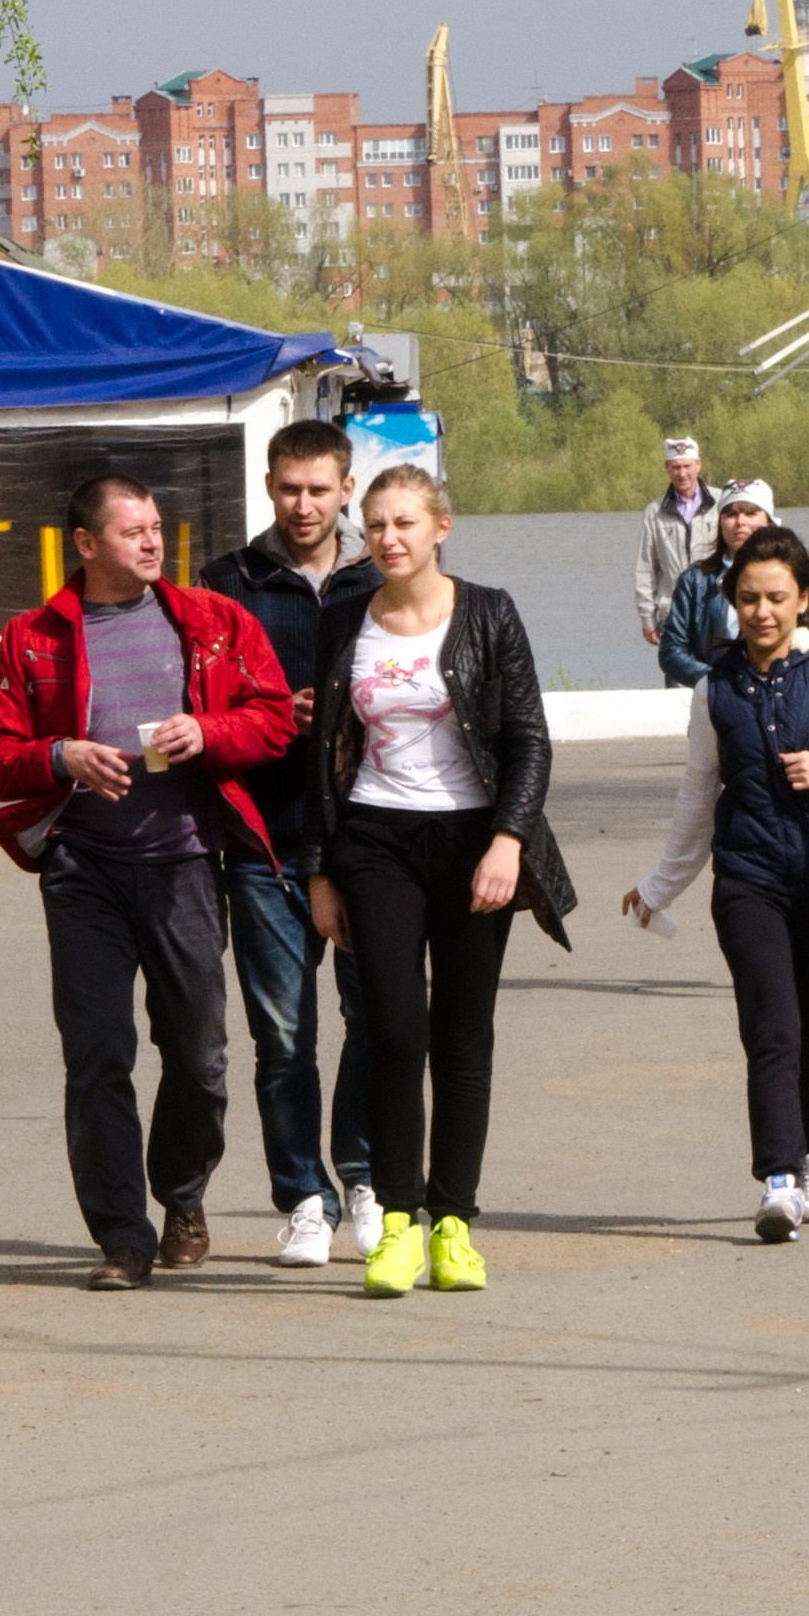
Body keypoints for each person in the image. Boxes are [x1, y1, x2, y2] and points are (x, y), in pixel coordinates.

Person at [0, 473, 296, 1289]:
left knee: (200, 1054)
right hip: (83, 869)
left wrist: (208, 730)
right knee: (98, 1053)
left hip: (185, 860)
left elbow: (275, 719)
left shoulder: (213, 621)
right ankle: (122, 1235)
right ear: (86, 544)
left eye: (156, 527)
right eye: (133, 531)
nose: (152, 541)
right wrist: (60, 755)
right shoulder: (34, 636)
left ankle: (182, 1192)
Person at [304, 462, 575, 1297]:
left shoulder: (489, 612)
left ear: (440, 528)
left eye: (404, 524)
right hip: (376, 841)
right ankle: (396, 1224)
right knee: (393, 1032)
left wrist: (506, 840)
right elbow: (322, 757)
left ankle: (454, 1222)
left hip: (471, 842)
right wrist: (321, 870)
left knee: (463, 1038)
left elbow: (528, 738)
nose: (387, 537)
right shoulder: (347, 621)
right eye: (375, 524)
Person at [622, 522, 809, 1242]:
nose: (762, 611)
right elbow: (698, 794)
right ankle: (778, 1180)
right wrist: (660, 885)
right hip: (748, 877)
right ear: (732, 602)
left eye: (777, 597)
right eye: (748, 597)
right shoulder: (714, 688)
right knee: (771, 1027)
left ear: (804, 598)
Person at [200, 419, 384, 1265]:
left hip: (369, 838)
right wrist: (269, 717)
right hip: (264, 840)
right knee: (283, 1037)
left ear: (347, 488)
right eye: (287, 488)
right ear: (267, 485)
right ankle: (303, 1196)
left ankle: (365, 1177)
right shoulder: (226, 583)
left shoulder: (384, 575)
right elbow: (201, 710)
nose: (302, 504)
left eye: (318, 488)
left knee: (376, 1020)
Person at [659, 478, 778, 688]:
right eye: (730, 514)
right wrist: (719, 680)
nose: (740, 521)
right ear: (720, 522)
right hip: (713, 696)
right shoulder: (695, 580)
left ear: (768, 521)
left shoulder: (790, 576)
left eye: (751, 513)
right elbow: (671, 651)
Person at [634, 437, 722, 683]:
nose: (682, 473)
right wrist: (647, 617)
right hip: (672, 613)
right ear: (667, 469)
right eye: (675, 467)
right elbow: (646, 568)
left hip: (715, 610)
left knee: (719, 685)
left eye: (687, 466)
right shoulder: (654, 511)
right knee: (677, 688)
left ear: (698, 465)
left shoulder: (721, 502)